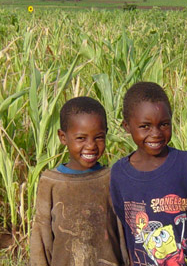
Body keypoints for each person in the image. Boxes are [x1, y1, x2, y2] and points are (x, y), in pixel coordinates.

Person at [110, 82, 187, 266]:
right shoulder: (119, 174)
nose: (156, 133)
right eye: (145, 126)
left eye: (164, 124)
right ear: (126, 126)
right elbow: (125, 231)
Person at [30, 96, 128, 266]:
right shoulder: (51, 182)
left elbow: (122, 233)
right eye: (81, 138)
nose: (91, 145)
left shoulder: (111, 178)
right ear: (63, 137)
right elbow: (41, 237)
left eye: (98, 137)